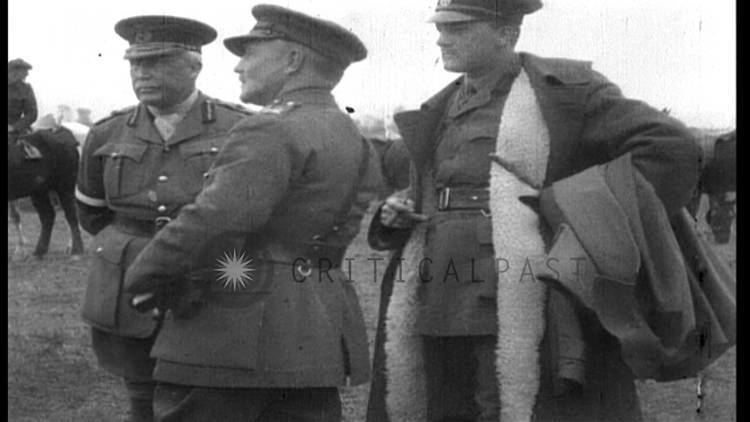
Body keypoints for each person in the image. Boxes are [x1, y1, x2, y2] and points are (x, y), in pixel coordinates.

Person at [366, 1, 706, 421]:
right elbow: (428, 183)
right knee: (441, 405)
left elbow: (669, 148)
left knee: (512, 406)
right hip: (437, 293)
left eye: (458, 28)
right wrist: (396, 211)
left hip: (530, 293)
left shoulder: (565, 91)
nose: (441, 38)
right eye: (440, 27)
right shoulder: (440, 107)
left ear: (506, 34)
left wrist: (577, 221)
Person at [122, 5, 381, 421]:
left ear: (293, 61)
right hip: (315, 326)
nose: (239, 68)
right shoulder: (351, 134)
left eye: (251, 54)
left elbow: (216, 218)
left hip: (235, 327)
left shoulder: (270, 128)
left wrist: (144, 274)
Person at [75, 15, 253, 422]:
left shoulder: (239, 128)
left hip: (207, 280)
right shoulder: (107, 133)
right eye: (136, 64)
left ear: (194, 66)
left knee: (204, 397)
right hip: (126, 279)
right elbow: (92, 211)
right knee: (140, 391)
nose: (142, 73)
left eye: (157, 62)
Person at [8, 58, 38, 135]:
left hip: (13, 130)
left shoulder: (26, 89)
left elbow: (32, 113)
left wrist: (14, 127)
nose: (26, 74)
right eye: (23, 72)